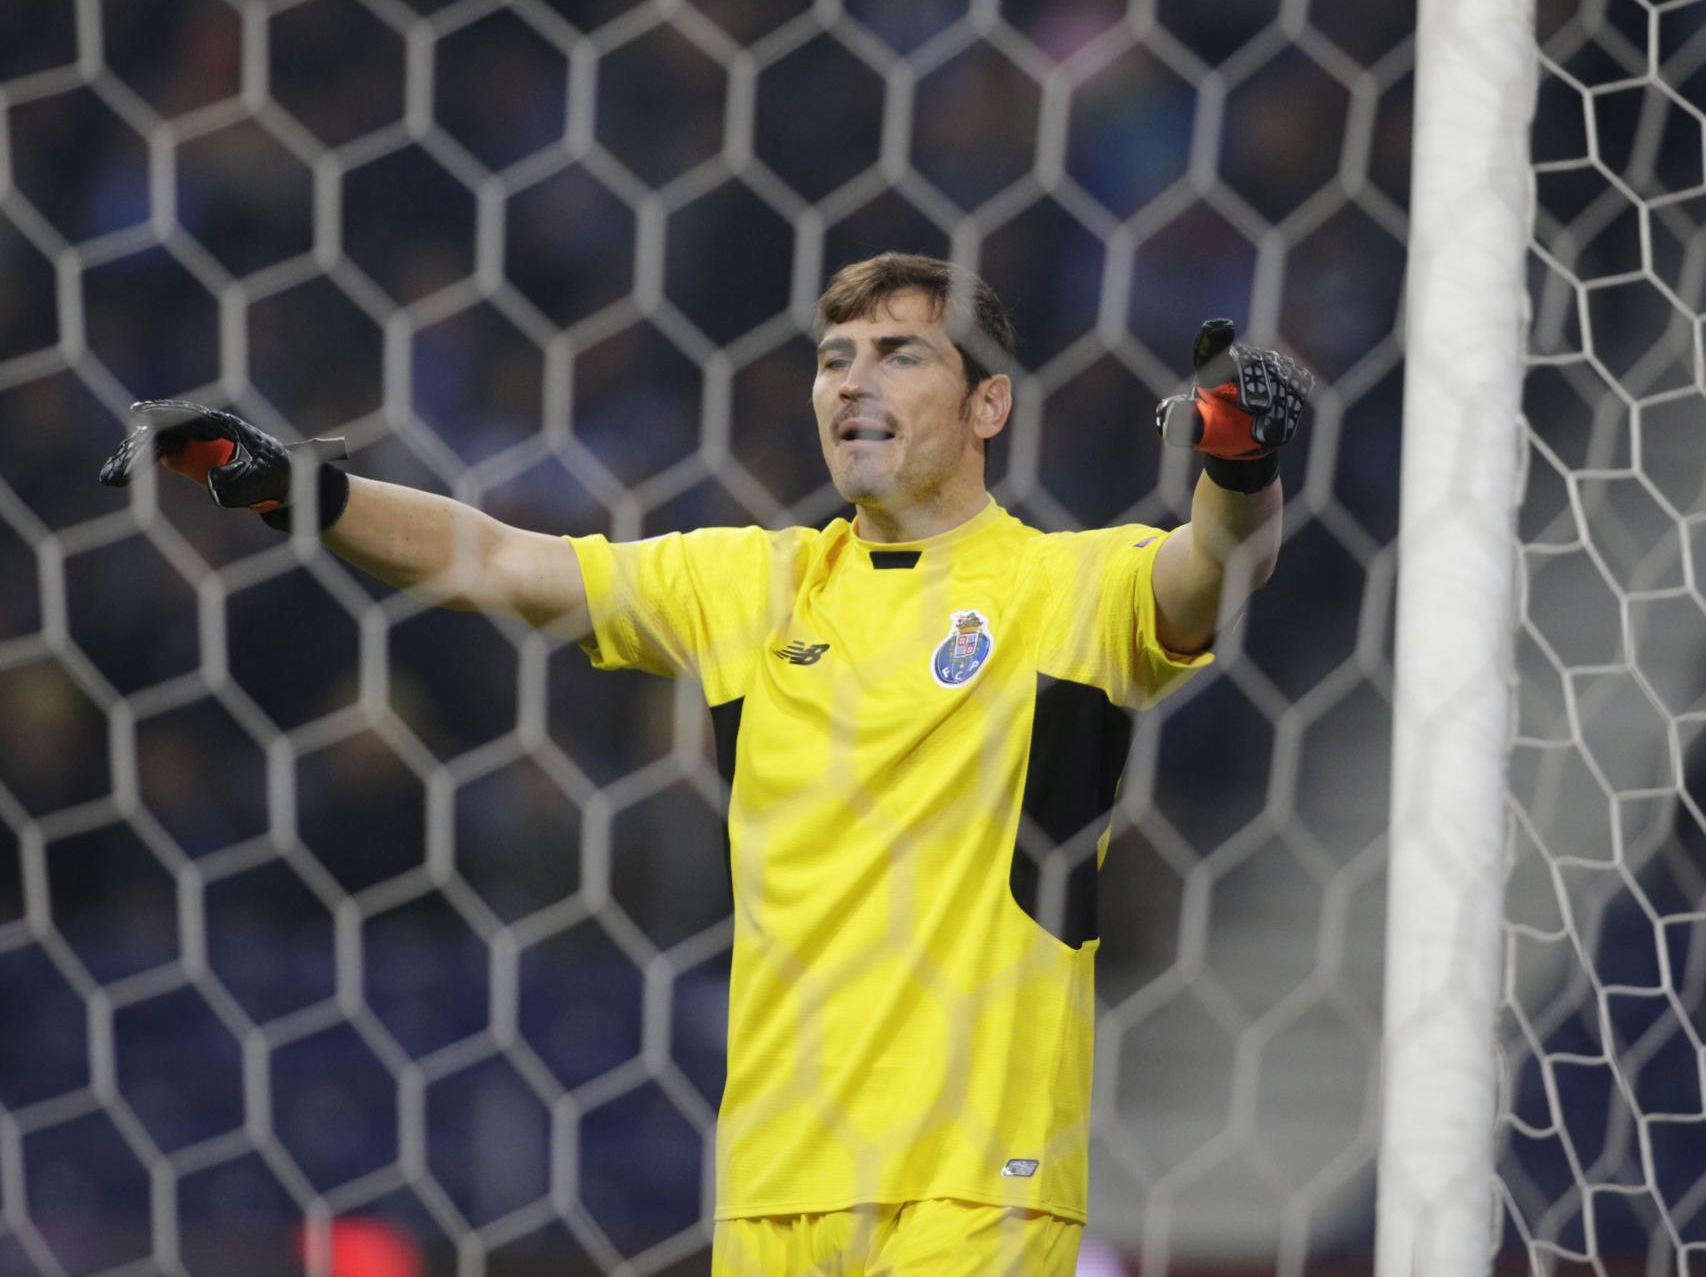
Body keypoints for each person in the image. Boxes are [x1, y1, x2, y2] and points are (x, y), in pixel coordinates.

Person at [99, 252, 1311, 1275]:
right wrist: (290, 492)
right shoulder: (750, 584)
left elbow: (1211, 565)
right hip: (773, 1182)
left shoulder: (1069, 586)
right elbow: (507, 560)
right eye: (834, 357)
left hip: (973, 1181)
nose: (852, 382)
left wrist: (1238, 465)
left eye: (898, 353)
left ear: (987, 405)